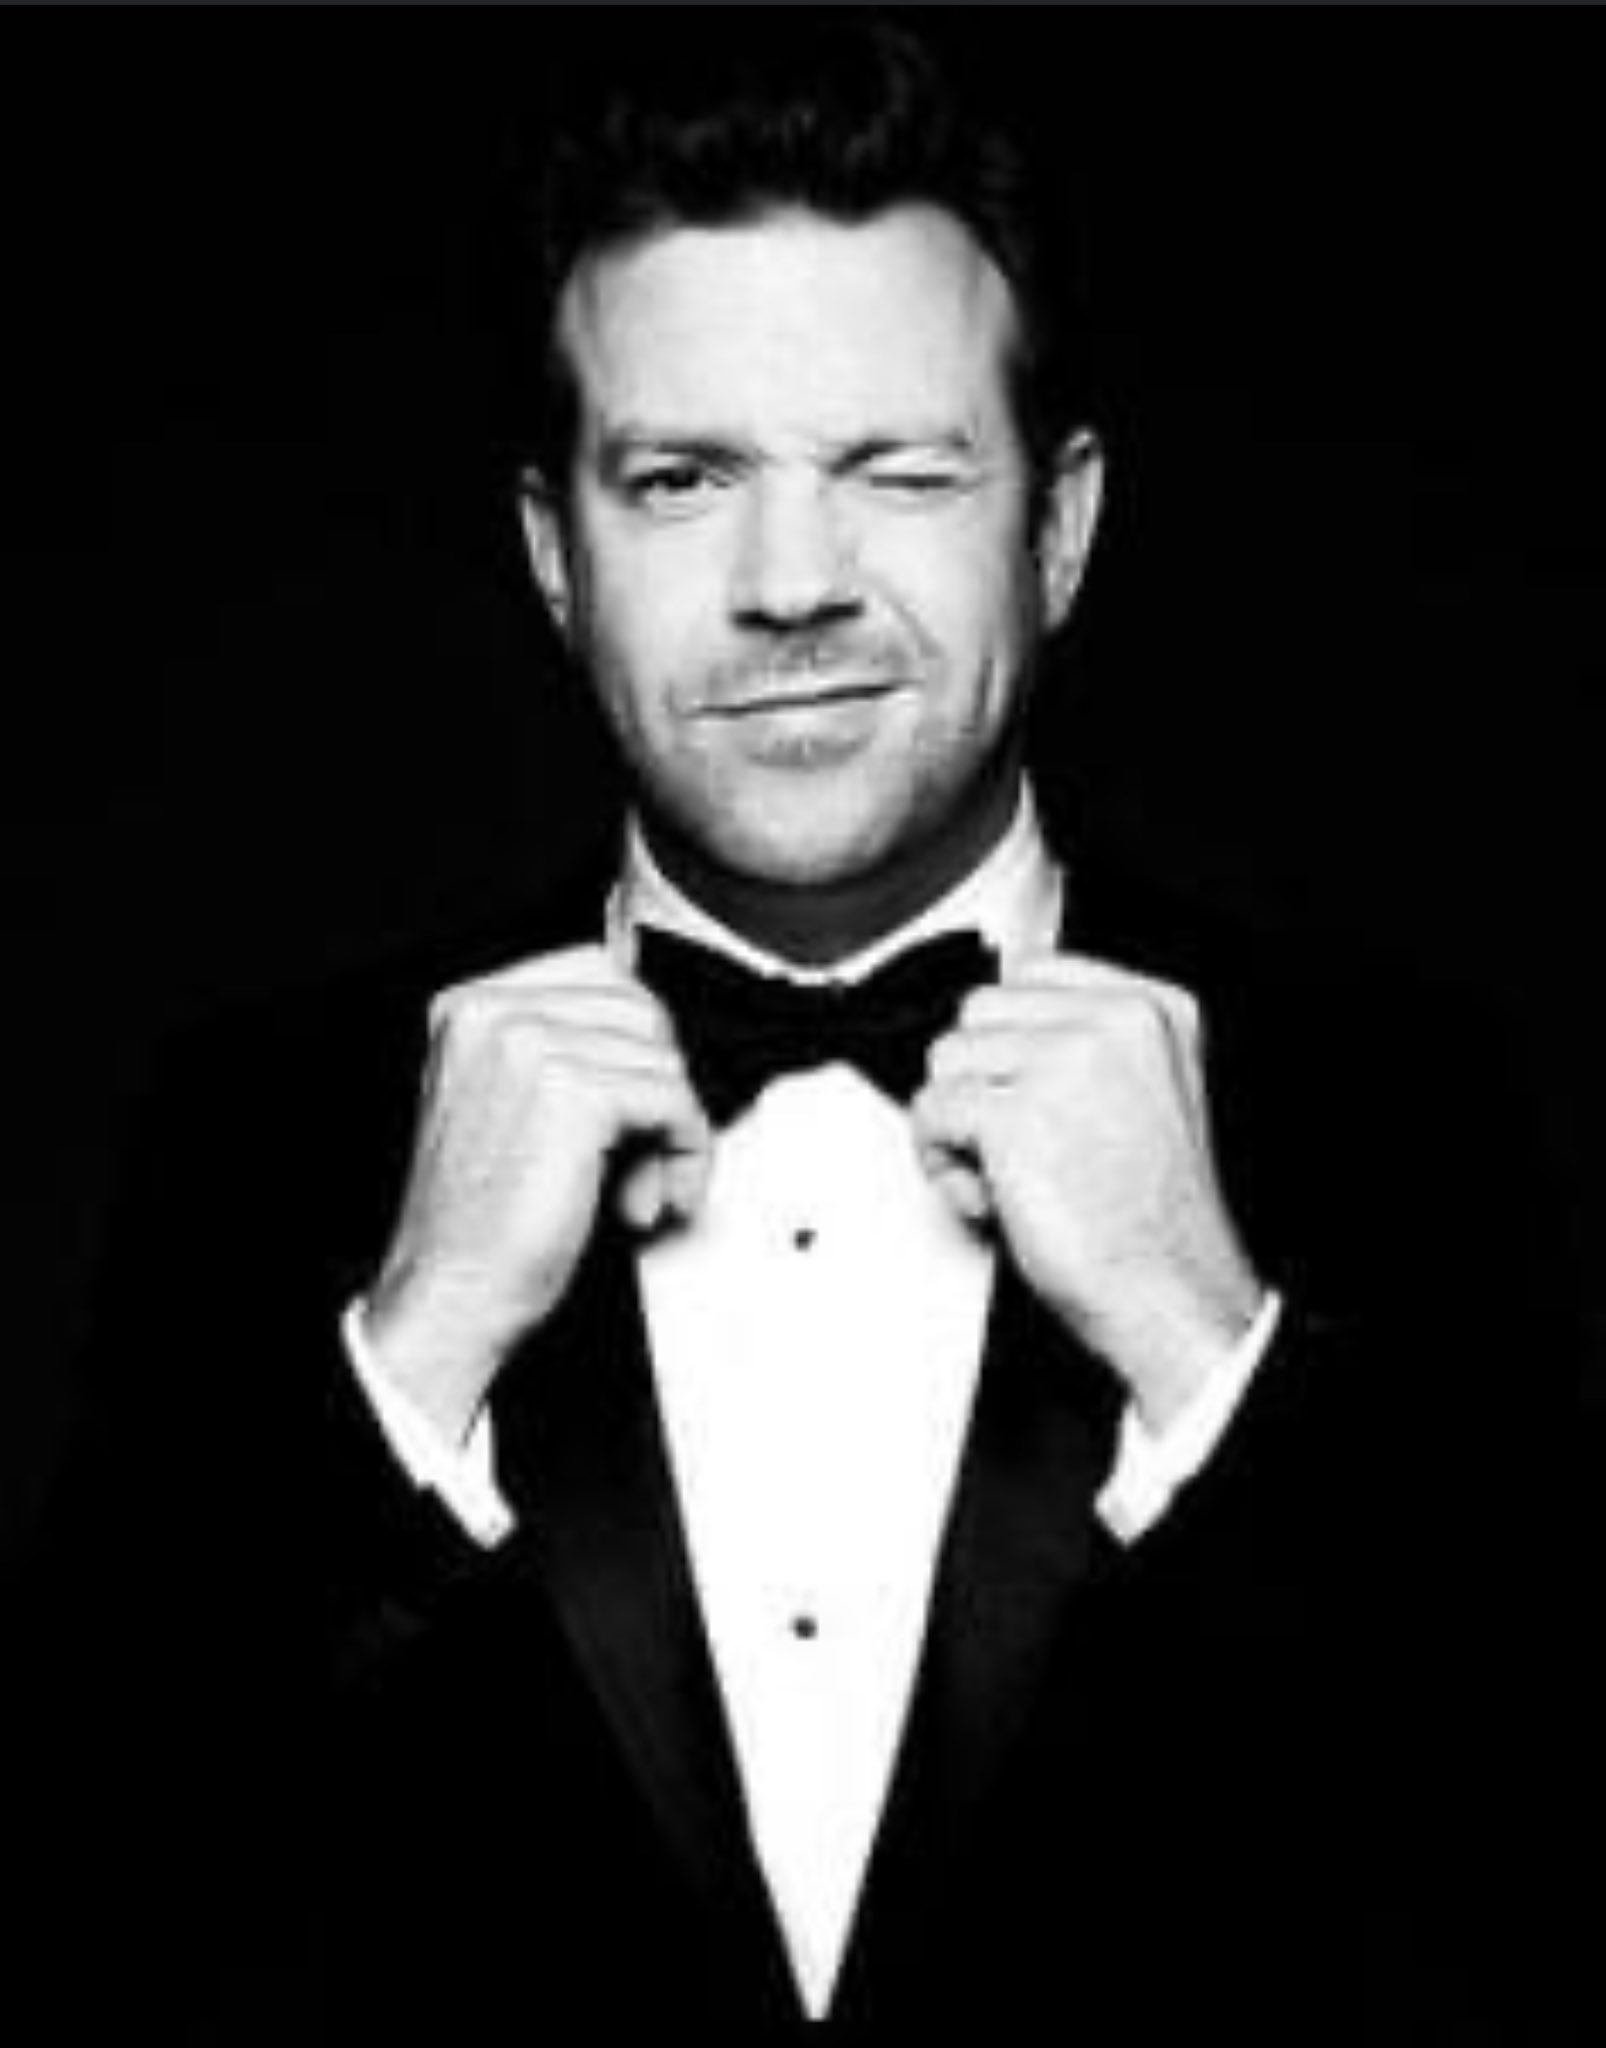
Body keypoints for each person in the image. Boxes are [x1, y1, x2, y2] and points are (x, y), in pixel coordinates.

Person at [26, 17, 1573, 2044]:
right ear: (554, 554)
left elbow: (1528, 1900)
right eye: (682, 481)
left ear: (1058, 526)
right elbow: (87, 1908)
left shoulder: (1398, 1104)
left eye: (896, 473)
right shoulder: (263, 1122)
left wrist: (1208, 1351)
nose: (788, 586)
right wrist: (413, 1355)